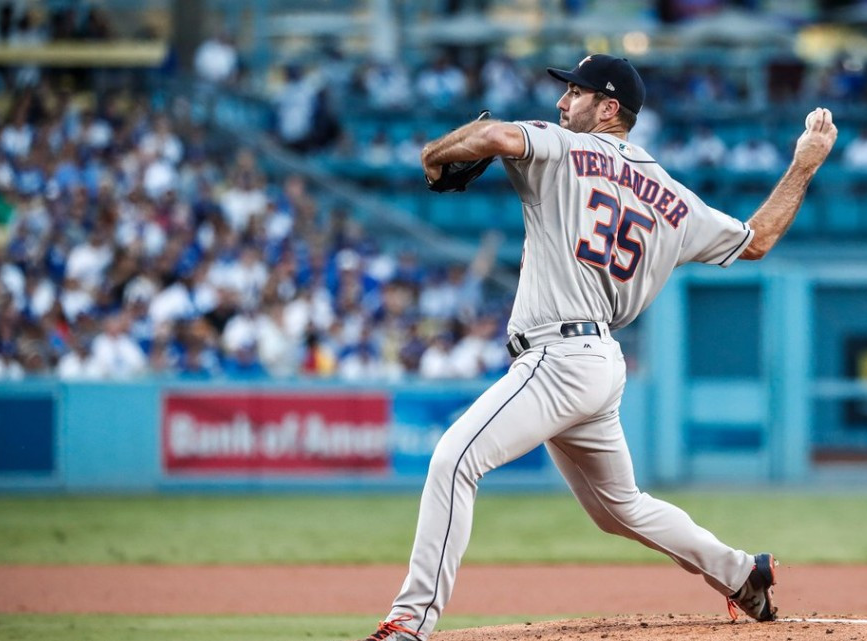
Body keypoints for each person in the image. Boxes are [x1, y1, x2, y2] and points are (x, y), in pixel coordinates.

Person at [357, 54, 837, 641]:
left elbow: (487, 135)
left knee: (455, 460)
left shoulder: (562, 148)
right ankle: (742, 572)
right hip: (600, 360)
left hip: (559, 357)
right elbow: (757, 240)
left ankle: (409, 622)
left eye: (576, 92)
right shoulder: (674, 198)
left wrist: (433, 154)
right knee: (621, 508)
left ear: (609, 108)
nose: (563, 103)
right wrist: (803, 166)